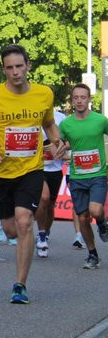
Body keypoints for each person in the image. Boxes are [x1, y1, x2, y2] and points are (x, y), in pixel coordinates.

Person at [0, 45, 61, 304]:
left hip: (31, 169)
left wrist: (57, 140)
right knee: (10, 229)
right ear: (4, 70)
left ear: (28, 65)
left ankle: (20, 284)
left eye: (19, 66)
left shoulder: (44, 94)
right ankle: (14, 242)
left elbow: (49, 123)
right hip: (0, 172)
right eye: (9, 67)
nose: (15, 72)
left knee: (24, 221)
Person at [57, 84, 108, 270]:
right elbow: (59, 145)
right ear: (72, 101)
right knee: (83, 218)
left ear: (89, 100)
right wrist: (61, 151)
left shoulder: (101, 120)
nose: (79, 100)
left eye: (83, 97)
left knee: (95, 210)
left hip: (98, 174)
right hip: (77, 176)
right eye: (76, 97)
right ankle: (92, 254)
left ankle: (102, 223)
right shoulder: (66, 124)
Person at [35, 108, 69, 257]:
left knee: (50, 205)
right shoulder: (32, 113)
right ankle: (41, 235)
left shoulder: (61, 118)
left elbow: (68, 141)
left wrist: (58, 147)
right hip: (36, 168)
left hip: (55, 168)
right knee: (44, 198)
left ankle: (46, 232)